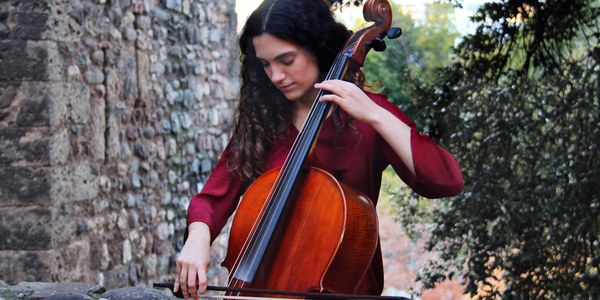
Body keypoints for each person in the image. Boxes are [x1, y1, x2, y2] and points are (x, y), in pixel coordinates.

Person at [174, 0, 463, 299]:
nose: (275, 76)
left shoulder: (367, 115)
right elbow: (212, 198)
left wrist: (375, 115)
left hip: (346, 290)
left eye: (286, 60)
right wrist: (197, 237)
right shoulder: (264, 121)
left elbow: (446, 179)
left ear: (317, 48)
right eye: (265, 64)